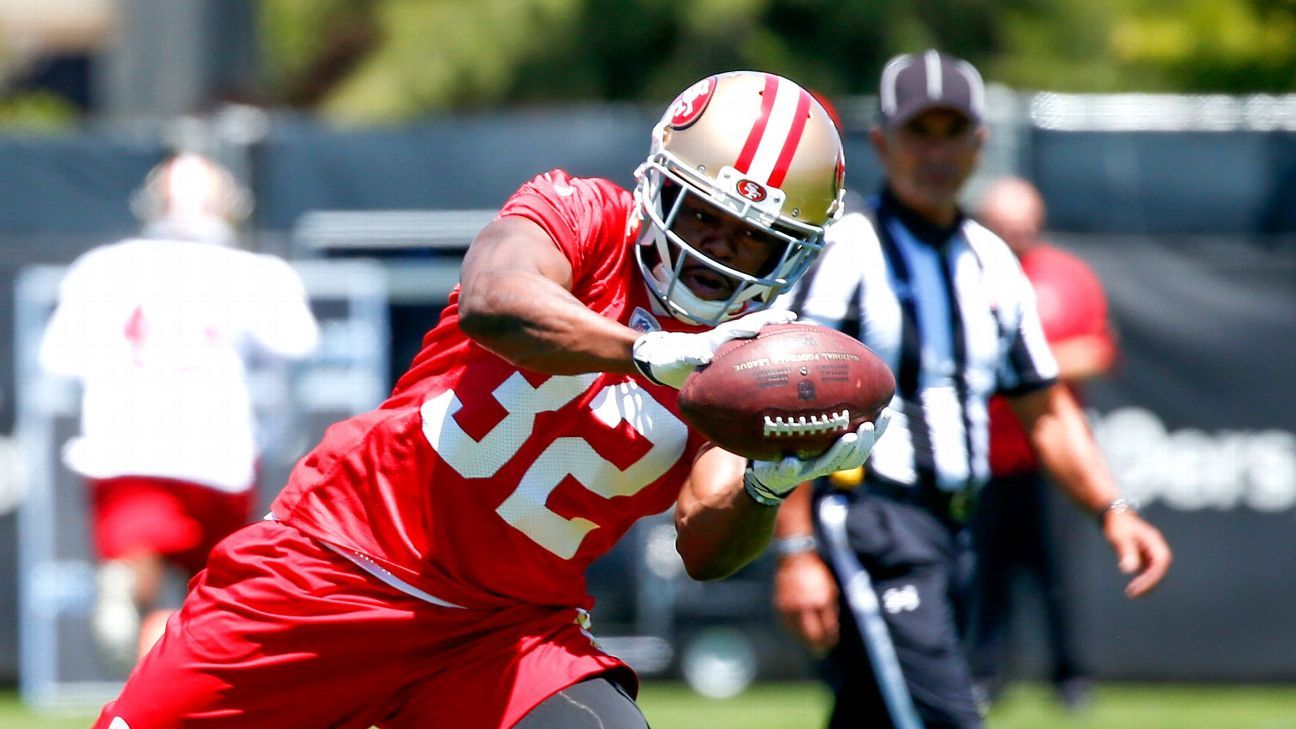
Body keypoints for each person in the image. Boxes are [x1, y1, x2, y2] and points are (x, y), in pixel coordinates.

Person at [93, 71, 884, 729]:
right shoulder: (587, 216)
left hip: (501, 628)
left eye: (755, 239)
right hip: (335, 564)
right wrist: (644, 351)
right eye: (705, 217)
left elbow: (704, 543)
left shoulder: (749, 360)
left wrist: (769, 480)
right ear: (661, 188)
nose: (721, 252)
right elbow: (494, 298)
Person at [770, 50, 1172, 729]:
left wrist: (1113, 509)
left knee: (871, 714)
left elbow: (1045, 410)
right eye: (918, 130)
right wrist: (795, 546)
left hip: (955, 530)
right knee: (948, 715)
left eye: (951, 130)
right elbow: (787, 400)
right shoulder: (847, 250)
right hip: (870, 521)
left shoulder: (993, 264)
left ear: (979, 143)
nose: (935, 150)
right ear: (881, 142)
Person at [39, 152, 321, 674]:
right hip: (216, 446)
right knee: (212, 593)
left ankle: (133, 593)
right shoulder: (252, 272)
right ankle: (185, 672)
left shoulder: (105, 267)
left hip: (124, 443)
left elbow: (59, 359)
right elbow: (296, 346)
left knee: (136, 558)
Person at [967, 176, 1118, 710]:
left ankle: (1069, 677)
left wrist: (1022, 369)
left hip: (1048, 459)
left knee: (1056, 575)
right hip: (979, 458)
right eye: (1004, 224)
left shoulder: (1067, 276)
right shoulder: (964, 271)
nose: (1016, 233)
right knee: (984, 578)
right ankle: (985, 676)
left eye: (1024, 222)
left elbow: (1095, 351)